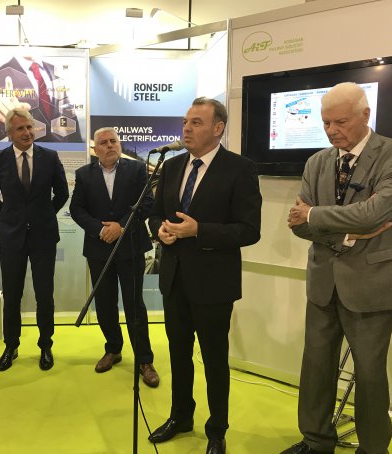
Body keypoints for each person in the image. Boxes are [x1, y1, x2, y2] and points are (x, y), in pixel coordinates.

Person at [283, 82, 392, 454]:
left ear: (365, 115)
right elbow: (298, 225)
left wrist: (315, 215)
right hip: (323, 281)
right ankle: (315, 440)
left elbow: (374, 213)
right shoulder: (316, 162)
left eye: (340, 122)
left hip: (374, 282)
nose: (331, 131)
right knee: (316, 365)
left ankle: (373, 448)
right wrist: (347, 234)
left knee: (370, 372)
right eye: (325, 122)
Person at [148, 97, 262, 454]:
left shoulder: (240, 169)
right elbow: (154, 214)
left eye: (196, 122)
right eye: (185, 122)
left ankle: (217, 430)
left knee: (214, 360)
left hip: (213, 283)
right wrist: (160, 231)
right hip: (174, 279)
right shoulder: (171, 165)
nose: (187, 129)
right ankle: (181, 416)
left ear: (218, 128)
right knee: (178, 355)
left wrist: (200, 231)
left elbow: (249, 230)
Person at [69, 127, 159, 387]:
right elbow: (77, 209)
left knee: (134, 304)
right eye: (104, 142)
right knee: (105, 304)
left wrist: (121, 226)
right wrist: (100, 230)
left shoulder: (137, 170)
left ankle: (144, 359)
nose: (110, 145)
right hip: (98, 248)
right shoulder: (83, 174)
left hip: (130, 246)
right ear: (95, 149)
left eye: (113, 141)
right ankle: (113, 349)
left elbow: (147, 203)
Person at [0, 107, 68, 372]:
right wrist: (13, 217)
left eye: (30, 127)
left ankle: (46, 346)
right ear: (9, 133)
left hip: (44, 236)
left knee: (45, 295)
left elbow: (62, 194)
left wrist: (42, 215)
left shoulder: (50, 157)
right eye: (20, 128)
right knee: (12, 295)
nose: (27, 132)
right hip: (12, 237)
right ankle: (11, 346)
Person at [0, 55, 82, 143]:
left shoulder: (53, 69)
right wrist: (3, 117)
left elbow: (68, 113)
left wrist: (79, 145)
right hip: (26, 152)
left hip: (62, 150)